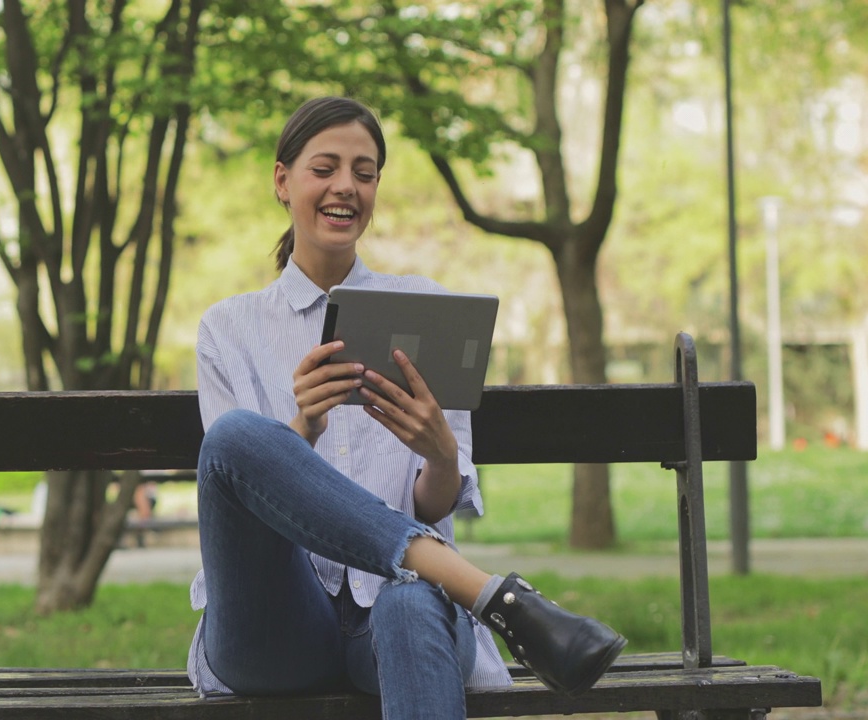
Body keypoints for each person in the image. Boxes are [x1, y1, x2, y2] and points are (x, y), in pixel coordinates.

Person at [185, 96, 626, 719]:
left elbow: (435, 500)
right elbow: (242, 503)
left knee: (412, 599)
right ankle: (492, 596)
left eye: (364, 174)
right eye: (325, 168)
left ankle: (456, 584)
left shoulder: (427, 310)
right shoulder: (228, 328)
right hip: (272, 622)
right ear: (282, 181)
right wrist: (302, 428)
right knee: (233, 438)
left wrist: (440, 453)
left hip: (395, 612)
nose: (346, 187)